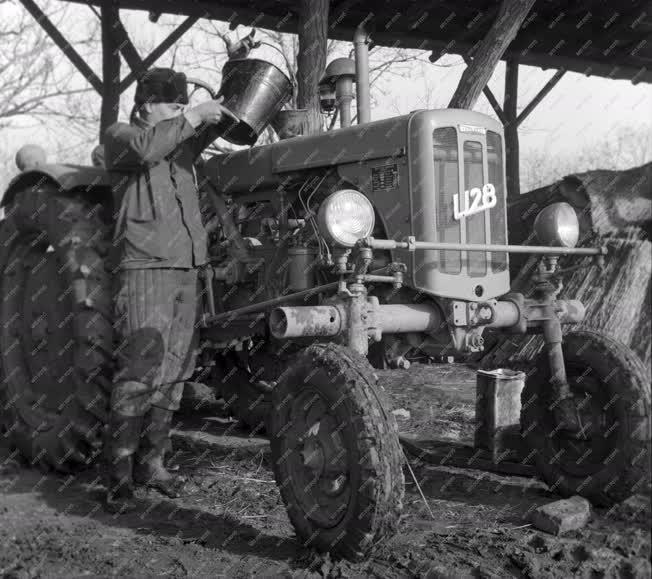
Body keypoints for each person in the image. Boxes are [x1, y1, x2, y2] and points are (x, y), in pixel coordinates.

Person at [103, 67, 238, 513]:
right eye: (173, 105)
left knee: (177, 370)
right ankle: (118, 477)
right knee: (141, 367)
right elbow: (148, 148)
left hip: (187, 269)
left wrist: (225, 104)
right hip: (146, 267)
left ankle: (153, 463)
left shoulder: (180, 143)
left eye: (183, 105)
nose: (182, 112)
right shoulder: (121, 135)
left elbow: (229, 130)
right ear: (146, 106)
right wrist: (194, 116)